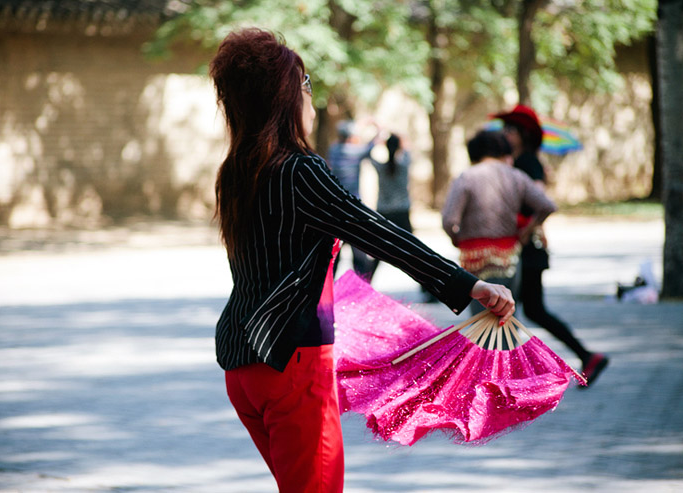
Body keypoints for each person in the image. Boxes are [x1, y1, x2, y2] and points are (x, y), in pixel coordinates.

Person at [209, 28, 515, 493]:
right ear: (284, 97)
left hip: (244, 365)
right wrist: (470, 285)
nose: (311, 98)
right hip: (294, 368)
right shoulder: (300, 170)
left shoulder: (236, 171)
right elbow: (379, 233)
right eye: (306, 84)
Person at [494, 104, 609, 387]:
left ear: (523, 134)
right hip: (526, 247)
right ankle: (582, 356)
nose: (505, 135)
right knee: (529, 311)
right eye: (504, 130)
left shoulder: (527, 163)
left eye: (510, 130)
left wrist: (527, 229)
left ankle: (521, 374)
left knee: (515, 312)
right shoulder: (521, 161)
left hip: (526, 249)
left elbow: (539, 200)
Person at [442, 130, 557, 315]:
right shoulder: (516, 176)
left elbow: (449, 220)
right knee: (508, 316)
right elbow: (547, 206)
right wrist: (526, 232)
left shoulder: (467, 177)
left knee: (480, 321)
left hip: (475, 258)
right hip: (509, 256)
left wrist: (456, 238)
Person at [326, 119, 380, 276]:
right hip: (352, 207)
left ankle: (330, 290)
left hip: (335, 208)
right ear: (350, 137)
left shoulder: (334, 150)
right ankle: (359, 287)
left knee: (334, 255)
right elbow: (372, 145)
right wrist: (377, 128)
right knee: (359, 254)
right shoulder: (355, 151)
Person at [367, 132, 413, 280]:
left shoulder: (381, 168)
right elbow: (408, 150)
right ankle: (427, 288)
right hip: (402, 211)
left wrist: (376, 139)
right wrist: (401, 140)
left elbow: (366, 154)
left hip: (384, 211)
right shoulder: (404, 165)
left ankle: (366, 281)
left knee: (378, 250)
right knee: (413, 250)